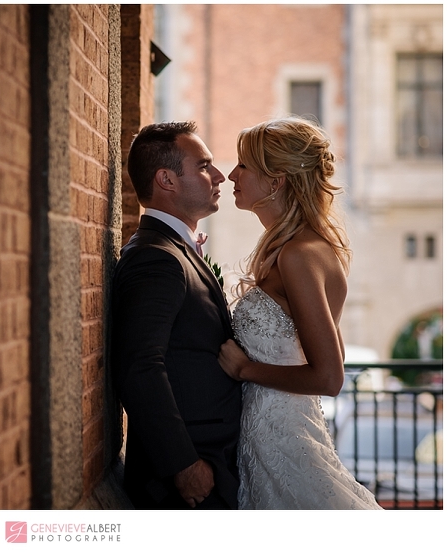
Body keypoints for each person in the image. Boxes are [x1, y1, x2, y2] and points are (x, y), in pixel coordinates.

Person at [218, 117, 383, 509]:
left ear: (276, 181)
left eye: (243, 165)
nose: (231, 174)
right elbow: (333, 350)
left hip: (285, 443)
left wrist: (246, 369)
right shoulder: (303, 248)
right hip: (269, 437)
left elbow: (329, 374)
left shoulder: (299, 255)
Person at [112, 121, 241, 510]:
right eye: (204, 166)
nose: (219, 176)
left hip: (215, 461)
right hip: (184, 480)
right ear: (166, 179)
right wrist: (183, 464)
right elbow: (139, 364)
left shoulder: (175, 249)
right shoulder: (156, 257)